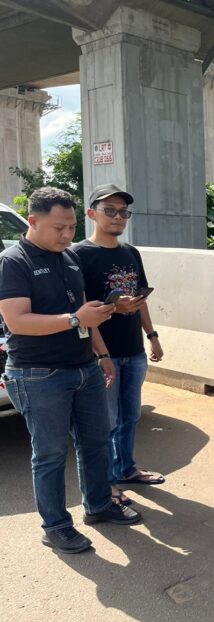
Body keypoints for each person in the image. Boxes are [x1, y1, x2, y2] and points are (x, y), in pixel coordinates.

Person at [0, 187, 141, 555]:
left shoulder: (70, 259)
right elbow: (17, 321)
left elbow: (84, 313)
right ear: (33, 222)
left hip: (85, 367)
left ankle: (98, 505)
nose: (66, 235)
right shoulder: (14, 261)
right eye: (58, 227)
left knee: (95, 442)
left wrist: (103, 352)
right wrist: (76, 318)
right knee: (48, 454)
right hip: (38, 374)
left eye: (72, 227)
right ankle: (57, 526)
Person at [73, 184, 165, 507]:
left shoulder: (131, 253)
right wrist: (103, 354)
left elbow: (140, 300)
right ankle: (108, 484)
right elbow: (83, 312)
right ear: (91, 214)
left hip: (134, 351)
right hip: (104, 353)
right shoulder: (79, 255)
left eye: (123, 211)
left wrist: (152, 336)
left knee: (130, 416)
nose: (117, 217)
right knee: (106, 422)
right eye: (109, 210)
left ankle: (127, 469)